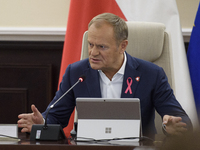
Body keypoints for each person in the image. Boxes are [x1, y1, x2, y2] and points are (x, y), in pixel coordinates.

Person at [18, 13, 192, 139]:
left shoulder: (151, 74)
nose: (92, 52)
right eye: (91, 44)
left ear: (122, 46)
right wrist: (42, 120)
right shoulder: (76, 73)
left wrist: (171, 125)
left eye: (101, 47)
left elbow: (182, 120)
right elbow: (56, 117)